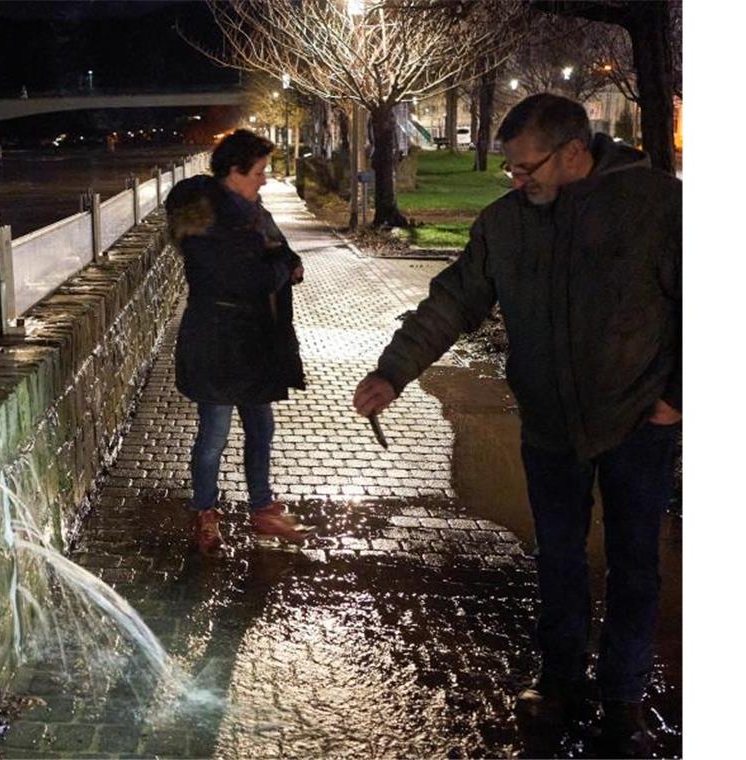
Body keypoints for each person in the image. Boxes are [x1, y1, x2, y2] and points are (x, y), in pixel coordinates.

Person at [352, 93, 681, 756]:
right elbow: (454, 300)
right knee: (557, 558)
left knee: (634, 564)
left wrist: (681, 394)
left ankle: (623, 696)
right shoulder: (506, 224)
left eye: (527, 167)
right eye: (511, 169)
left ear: (574, 153)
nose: (516, 179)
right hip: (550, 426)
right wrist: (394, 371)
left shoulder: (656, 207)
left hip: (639, 420)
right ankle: (558, 679)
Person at [164, 129, 313, 555]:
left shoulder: (251, 211)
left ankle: (263, 510)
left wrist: (285, 262)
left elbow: (281, 252)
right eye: (259, 172)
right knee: (214, 434)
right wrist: (283, 269)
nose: (264, 180)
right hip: (217, 341)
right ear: (234, 172)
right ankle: (205, 514)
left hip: (254, 341)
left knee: (261, 427)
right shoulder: (206, 221)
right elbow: (244, 279)